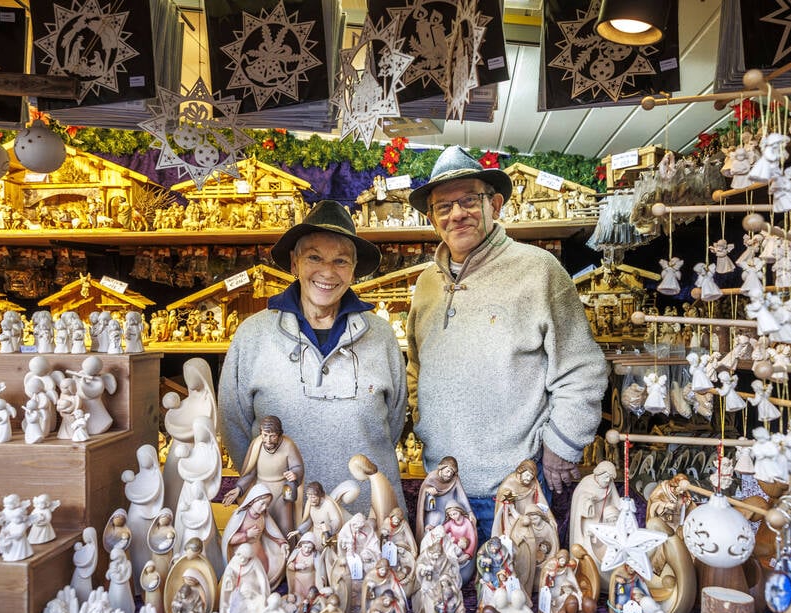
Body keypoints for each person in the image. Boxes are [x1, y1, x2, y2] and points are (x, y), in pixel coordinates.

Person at [406, 146, 607, 540]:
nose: (456, 213)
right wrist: (422, 422)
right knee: (443, 597)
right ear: (432, 219)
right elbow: (416, 366)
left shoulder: (538, 270)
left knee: (516, 596)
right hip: (444, 487)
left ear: (494, 204)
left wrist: (562, 446)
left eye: (469, 200)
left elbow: (582, 368)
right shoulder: (427, 284)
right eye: (443, 206)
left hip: (515, 488)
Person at [219, 200, 406, 514]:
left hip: (368, 519)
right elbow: (233, 426)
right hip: (283, 517)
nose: (327, 272)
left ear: (354, 269)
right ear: (294, 263)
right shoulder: (253, 335)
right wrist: (269, 484)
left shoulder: (382, 336)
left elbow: (394, 422)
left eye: (341, 261)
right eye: (314, 257)